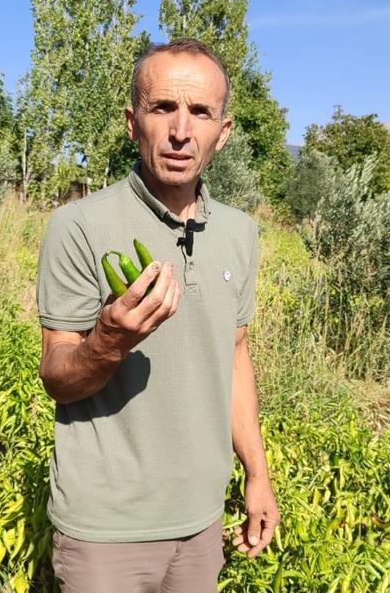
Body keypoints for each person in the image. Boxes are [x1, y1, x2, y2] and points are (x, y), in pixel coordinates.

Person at [36, 38, 279, 591]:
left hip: (201, 521)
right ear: (131, 122)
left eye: (200, 112)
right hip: (105, 530)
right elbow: (57, 378)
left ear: (224, 131)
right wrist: (108, 341)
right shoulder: (78, 227)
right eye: (162, 107)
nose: (180, 130)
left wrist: (257, 476)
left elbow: (235, 354)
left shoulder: (240, 234)